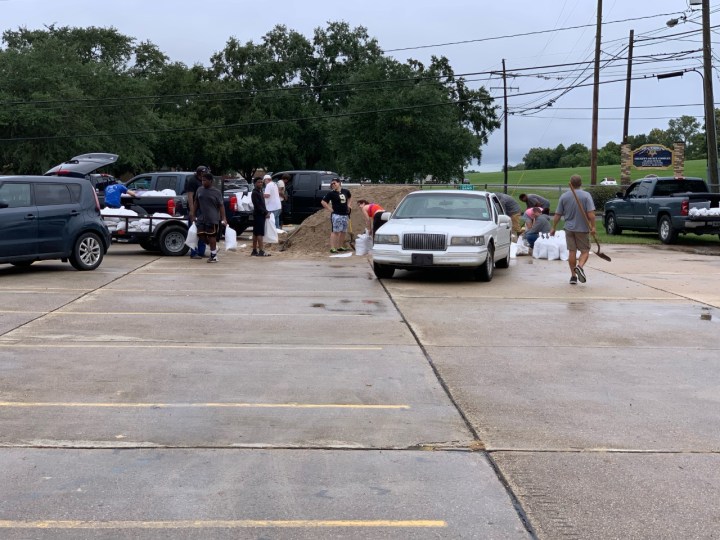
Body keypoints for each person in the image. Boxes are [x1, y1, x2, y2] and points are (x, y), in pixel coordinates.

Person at [550, 174, 596, 285]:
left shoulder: (564, 196)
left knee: (572, 251)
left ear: (570, 183)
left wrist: (553, 227)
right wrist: (593, 227)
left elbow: (557, 214)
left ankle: (573, 277)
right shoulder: (586, 196)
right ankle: (580, 267)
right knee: (585, 251)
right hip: (582, 229)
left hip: (569, 229)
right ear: (581, 183)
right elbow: (591, 215)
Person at [195, 171, 227, 263]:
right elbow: (196, 202)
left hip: (213, 218)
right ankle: (214, 247)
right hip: (201, 217)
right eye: (202, 180)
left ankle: (214, 256)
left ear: (210, 181)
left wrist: (224, 218)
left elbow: (221, 205)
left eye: (205, 180)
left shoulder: (216, 192)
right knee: (200, 234)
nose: (203, 182)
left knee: (211, 236)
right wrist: (192, 213)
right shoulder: (199, 190)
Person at [321, 178, 352, 254]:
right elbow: (323, 202)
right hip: (337, 214)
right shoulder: (331, 193)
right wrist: (330, 209)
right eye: (332, 184)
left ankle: (340, 246)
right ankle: (332, 248)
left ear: (339, 183)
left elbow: (350, 197)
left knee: (343, 231)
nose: (333, 185)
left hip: (345, 214)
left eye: (334, 183)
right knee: (335, 231)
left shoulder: (346, 191)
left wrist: (349, 205)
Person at [186, 166, 208, 259]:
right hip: (195, 209)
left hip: (203, 209)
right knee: (194, 231)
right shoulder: (192, 181)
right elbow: (190, 197)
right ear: (200, 173)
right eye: (204, 172)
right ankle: (193, 252)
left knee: (203, 231)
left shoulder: (204, 181)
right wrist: (192, 211)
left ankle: (201, 252)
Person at [251, 177, 271, 257]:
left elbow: (262, 204)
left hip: (260, 214)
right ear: (255, 183)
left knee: (256, 233)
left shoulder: (260, 191)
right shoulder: (255, 193)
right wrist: (265, 212)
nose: (260, 184)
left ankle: (254, 250)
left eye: (261, 182)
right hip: (258, 215)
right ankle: (261, 251)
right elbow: (258, 205)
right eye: (258, 182)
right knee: (259, 233)